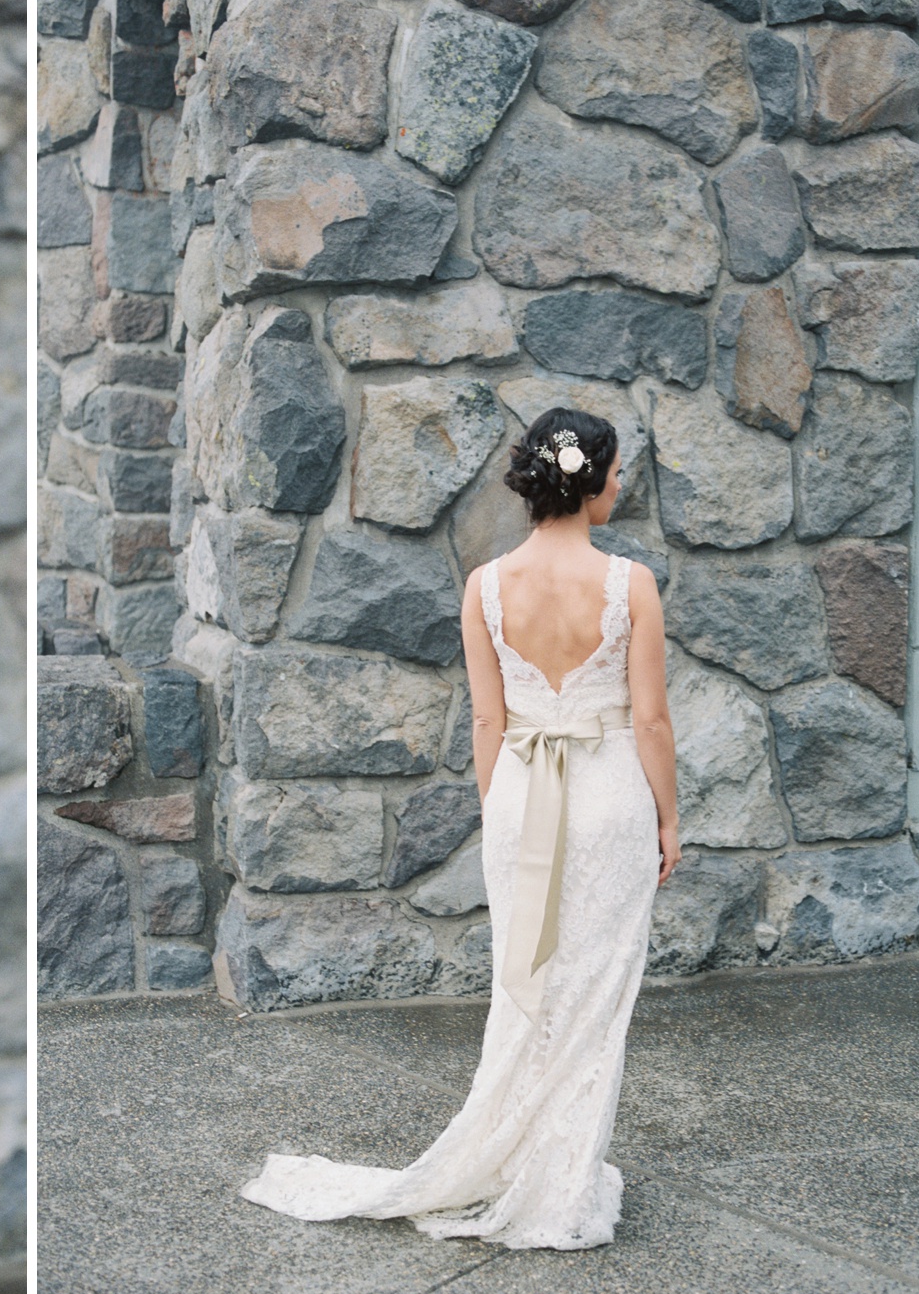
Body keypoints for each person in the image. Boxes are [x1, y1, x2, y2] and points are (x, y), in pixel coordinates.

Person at [239, 407, 681, 1250]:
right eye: (617, 471)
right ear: (588, 480)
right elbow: (652, 722)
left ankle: (530, 1165)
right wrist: (670, 818)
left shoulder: (483, 585)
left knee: (528, 988)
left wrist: (500, 815)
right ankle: (562, 1181)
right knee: (595, 992)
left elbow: (487, 722)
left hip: (522, 800)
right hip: (611, 801)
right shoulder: (632, 585)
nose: (623, 485)